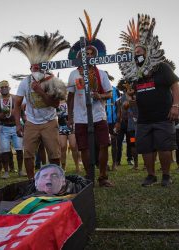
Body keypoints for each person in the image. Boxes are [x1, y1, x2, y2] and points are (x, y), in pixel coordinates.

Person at [118, 14, 179, 187]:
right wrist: (130, 100)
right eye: (134, 52)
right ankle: (151, 175)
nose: (137, 54)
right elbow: (133, 95)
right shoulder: (133, 74)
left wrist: (175, 106)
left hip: (163, 115)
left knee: (164, 147)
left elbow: (175, 85)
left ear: (147, 51)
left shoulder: (162, 67)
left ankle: (166, 175)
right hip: (143, 118)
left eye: (139, 51)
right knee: (144, 147)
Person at [1, 31, 68, 179]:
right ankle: (31, 180)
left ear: (43, 68)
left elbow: (56, 103)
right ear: (30, 69)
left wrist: (41, 91)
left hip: (50, 122)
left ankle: (56, 179)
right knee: (28, 153)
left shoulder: (52, 82)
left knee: (54, 154)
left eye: (39, 68)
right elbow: (17, 105)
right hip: (31, 123)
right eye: (33, 68)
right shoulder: (25, 82)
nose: (36, 71)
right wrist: (18, 124)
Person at [67, 11, 113, 187]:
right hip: (80, 116)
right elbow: (70, 96)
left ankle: (102, 176)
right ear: (80, 56)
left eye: (91, 53)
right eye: (85, 52)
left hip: (99, 114)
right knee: (83, 147)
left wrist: (98, 95)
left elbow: (109, 94)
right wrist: (70, 117)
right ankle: (88, 177)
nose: (88, 55)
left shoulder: (102, 73)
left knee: (103, 145)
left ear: (95, 56)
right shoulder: (73, 74)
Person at [0, 80, 25, 178]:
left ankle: (20, 170)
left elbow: (21, 112)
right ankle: (6, 171)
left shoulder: (15, 98)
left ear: (9, 88)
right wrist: (1, 115)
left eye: (6, 87)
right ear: (0, 89)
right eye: (2, 87)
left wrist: (25, 123)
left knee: (19, 148)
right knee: (4, 150)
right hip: (3, 127)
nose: (4, 89)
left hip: (15, 126)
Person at [116, 79, 139, 170]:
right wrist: (118, 122)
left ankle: (136, 161)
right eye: (125, 85)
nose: (127, 86)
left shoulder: (137, 96)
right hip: (126, 125)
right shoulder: (120, 99)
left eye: (129, 84)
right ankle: (133, 164)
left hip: (137, 125)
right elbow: (120, 111)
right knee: (126, 142)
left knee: (136, 143)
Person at [57, 100, 80, 172]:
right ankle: (63, 167)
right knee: (63, 147)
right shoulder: (56, 102)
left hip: (71, 126)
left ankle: (77, 166)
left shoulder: (69, 100)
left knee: (73, 146)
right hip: (61, 126)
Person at [105, 83, 120, 171]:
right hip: (102, 121)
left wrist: (118, 121)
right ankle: (105, 163)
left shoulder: (115, 90)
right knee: (104, 143)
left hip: (113, 121)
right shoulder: (98, 89)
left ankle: (114, 163)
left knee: (114, 141)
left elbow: (119, 107)